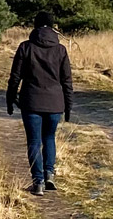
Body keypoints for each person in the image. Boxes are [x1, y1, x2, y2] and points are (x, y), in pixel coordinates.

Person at [5, 12, 72, 194]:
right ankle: (49, 174)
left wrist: (10, 100)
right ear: (52, 27)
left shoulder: (25, 47)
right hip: (55, 104)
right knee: (49, 138)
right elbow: (67, 81)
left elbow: (15, 78)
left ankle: (38, 182)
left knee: (34, 141)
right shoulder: (61, 50)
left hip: (31, 102)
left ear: (35, 26)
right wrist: (68, 107)